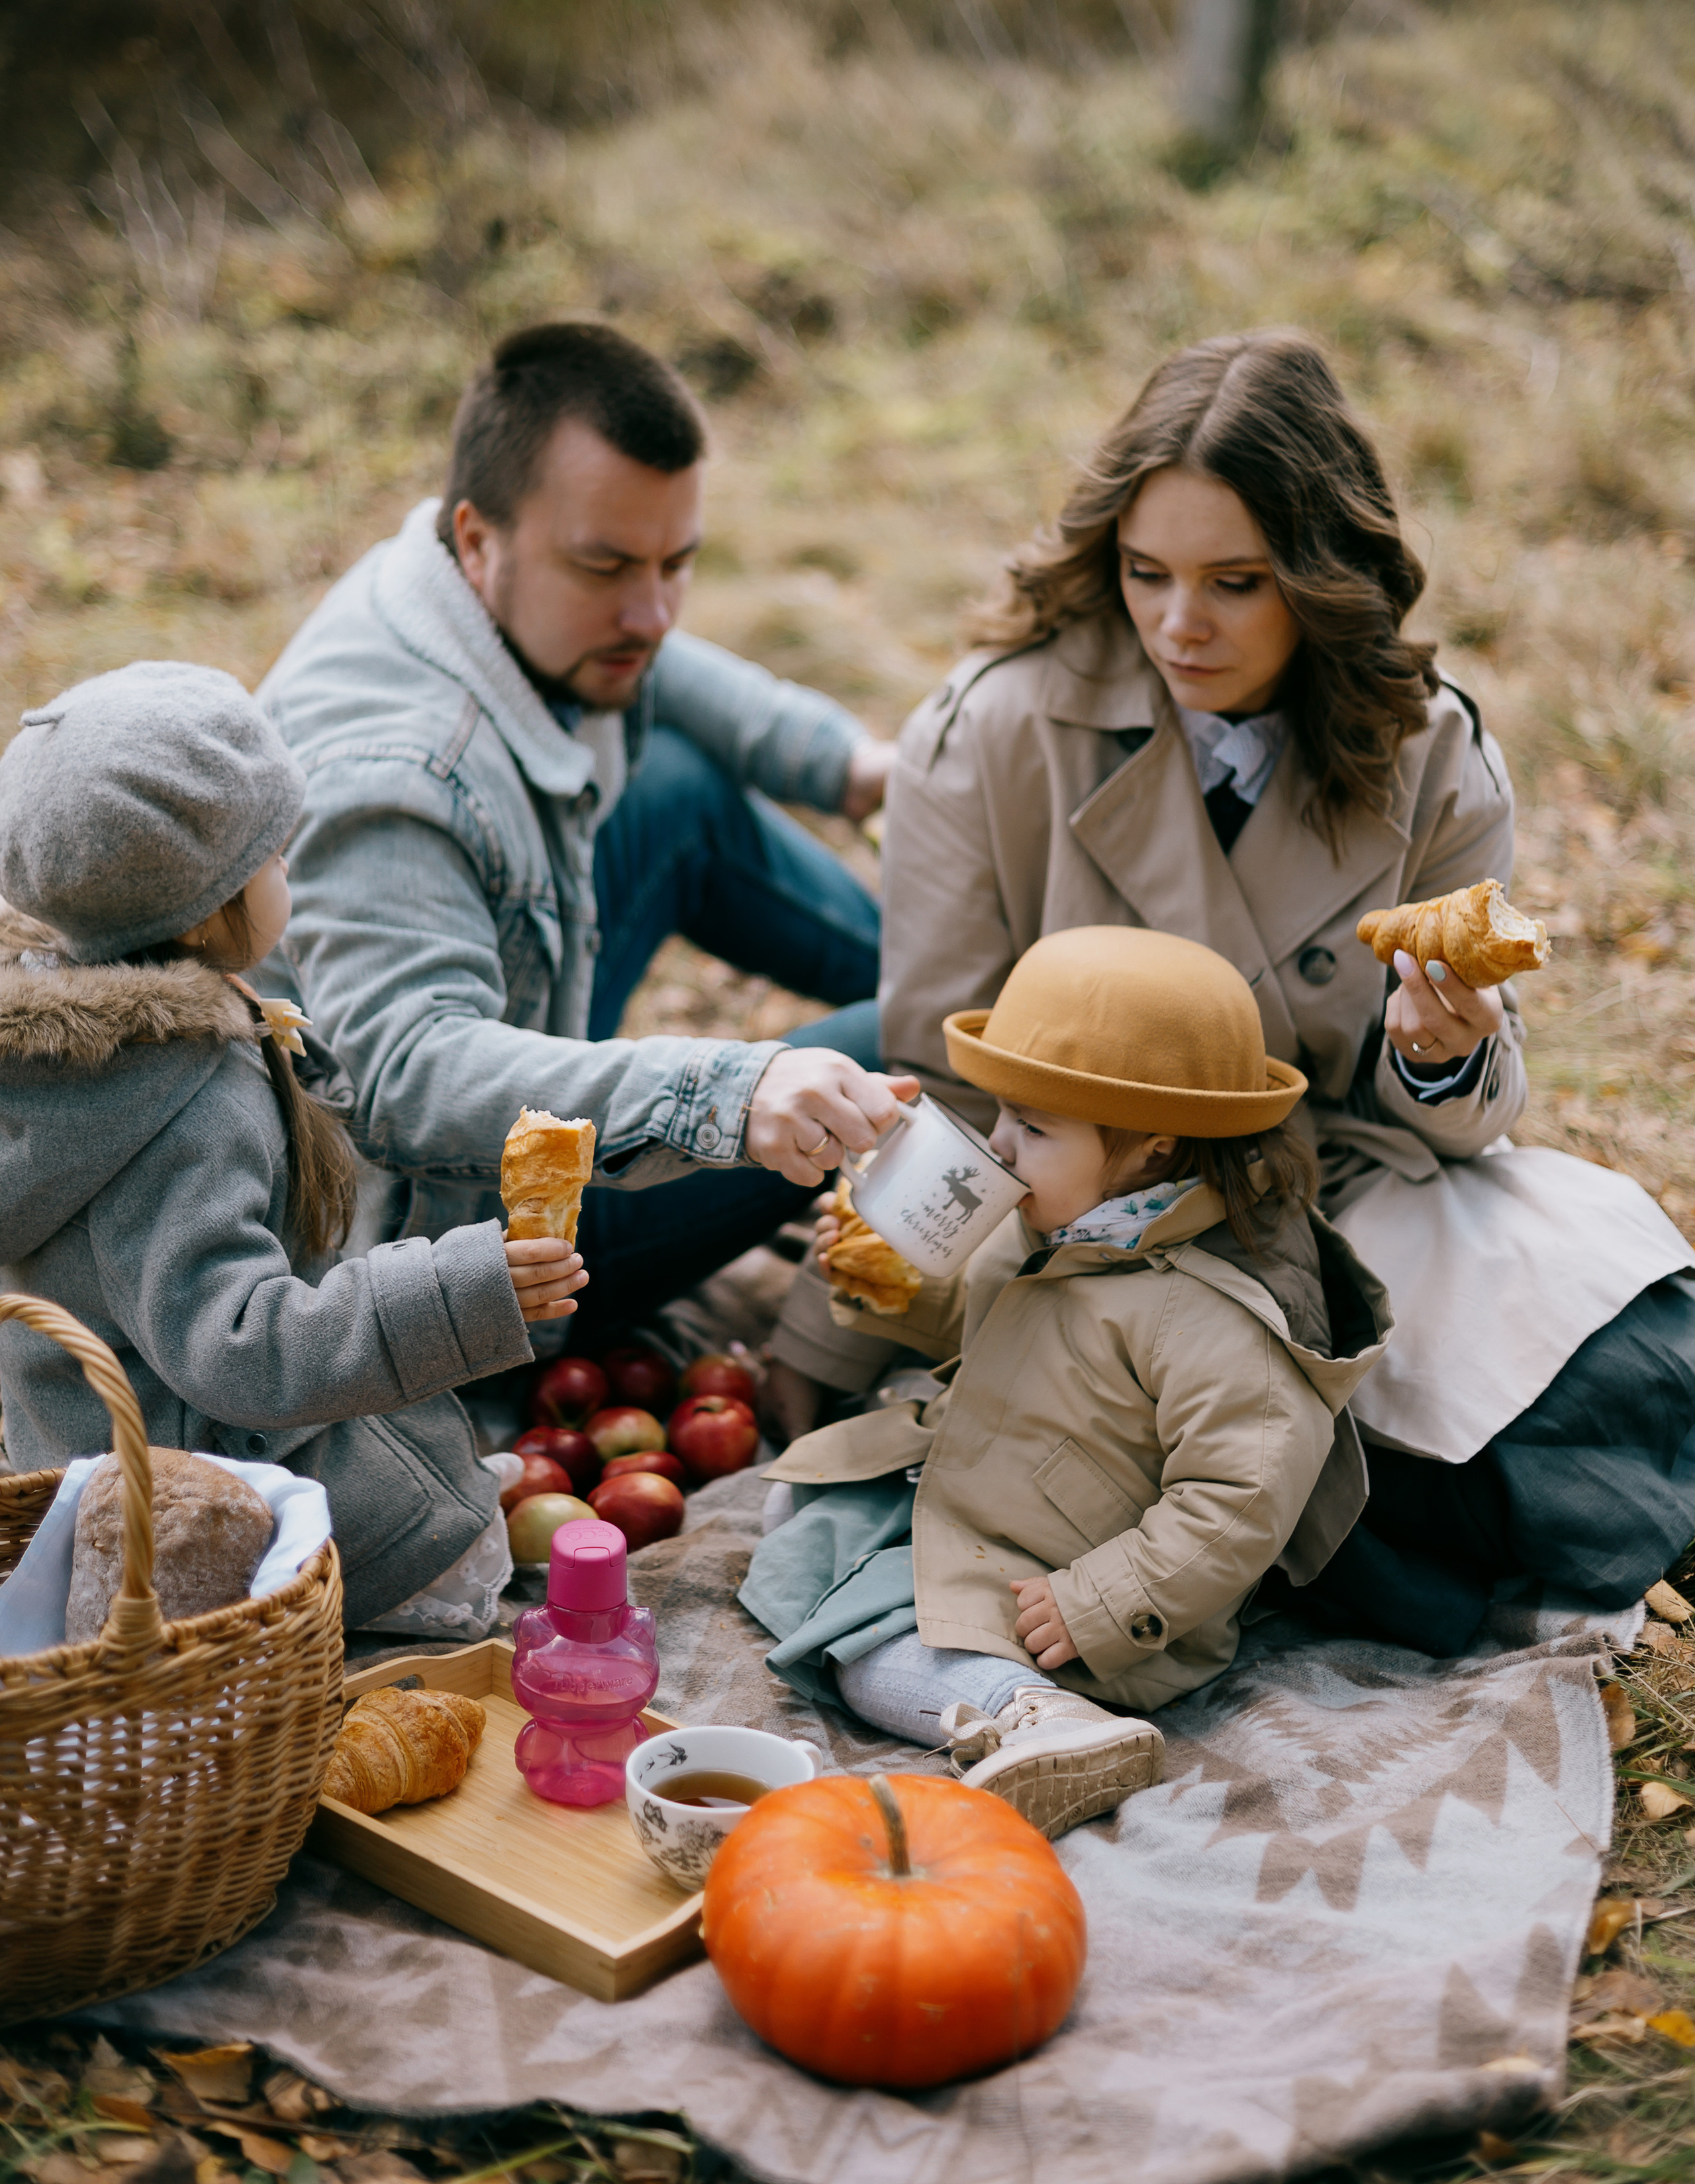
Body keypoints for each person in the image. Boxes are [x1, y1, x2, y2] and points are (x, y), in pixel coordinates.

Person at [769, 328, 1695, 1652]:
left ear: (1318, 580)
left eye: (1234, 582)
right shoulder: (985, 732)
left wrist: (1438, 1051)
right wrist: (830, 1330)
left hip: (1339, 1184)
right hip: (1090, 1228)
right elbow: (951, 1076)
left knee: (1598, 1309)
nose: (1177, 625)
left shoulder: (1427, 752)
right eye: (1144, 574)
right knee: (1286, 1449)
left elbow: (1450, 1125)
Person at [260, 320, 909, 1341]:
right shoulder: (393, 770)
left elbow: (655, 656)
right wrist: (734, 1092)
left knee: (684, 786)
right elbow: (404, 1078)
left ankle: (964, 971)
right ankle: (988, 1014)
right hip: (468, 1245)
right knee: (915, 1034)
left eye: (676, 563)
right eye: (606, 566)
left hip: (520, 1030)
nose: (651, 612)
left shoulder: (454, 577)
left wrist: (844, 764)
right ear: (480, 541)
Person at [742, 927, 1392, 1836]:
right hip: (995, 1496)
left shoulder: (1216, 1315)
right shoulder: (1061, 1218)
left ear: (1155, 1151)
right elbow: (990, 1324)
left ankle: (1033, 1716)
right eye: (1003, 1114)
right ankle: (978, 1670)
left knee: (854, 1648)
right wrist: (884, 1283)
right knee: (796, 1514)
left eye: (1033, 1128)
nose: (1001, 1145)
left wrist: (1102, 1603)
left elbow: (1242, 1495)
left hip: (1069, 1579)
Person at [0, 663, 591, 1633]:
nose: (293, 874)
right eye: (275, 859)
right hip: (193, 1499)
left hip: (106, 1431)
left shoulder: (99, 1040)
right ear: (197, 911)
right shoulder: (176, 1108)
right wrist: (451, 1293)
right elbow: (242, 1349)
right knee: (461, 1558)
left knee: (432, 1462)